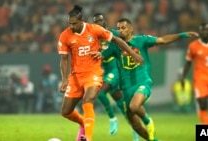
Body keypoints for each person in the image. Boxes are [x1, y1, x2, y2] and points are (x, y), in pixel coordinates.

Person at [98, 18, 197, 141]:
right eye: (118, 28)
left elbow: (163, 40)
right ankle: (154, 140)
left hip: (142, 82)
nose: (120, 31)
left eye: (123, 28)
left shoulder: (142, 40)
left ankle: (148, 120)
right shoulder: (114, 47)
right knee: (135, 126)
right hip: (126, 88)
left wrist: (181, 35)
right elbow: (101, 56)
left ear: (131, 29)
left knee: (134, 106)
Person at [57, 5, 143, 141]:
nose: (71, 26)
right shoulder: (65, 35)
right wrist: (64, 79)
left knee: (88, 100)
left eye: (74, 24)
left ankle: (89, 137)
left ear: (82, 21)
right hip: (75, 76)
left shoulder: (95, 30)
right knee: (66, 112)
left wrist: (132, 53)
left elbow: (117, 40)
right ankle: (84, 123)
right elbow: (63, 59)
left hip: (94, 73)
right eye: (70, 24)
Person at [92, 12, 139, 141]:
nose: (99, 24)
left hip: (115, 69)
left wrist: (133, 54)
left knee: (101, 93)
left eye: (100, 21)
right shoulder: (93, 38)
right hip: (104, 71)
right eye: (96, 22)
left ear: (104, 22)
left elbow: (128, 41)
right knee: (121, 104)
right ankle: (135, 128)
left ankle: (112, 119)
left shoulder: (114, 34)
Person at [180, 23, 208, 124]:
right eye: (202, 30)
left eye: (206, 30)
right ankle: (206, 130)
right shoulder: (193, 46)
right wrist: (183, 77)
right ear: (199, 32)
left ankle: (207, 125)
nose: (204, 32)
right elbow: (188, 63)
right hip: (200, 79)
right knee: (203, 103)